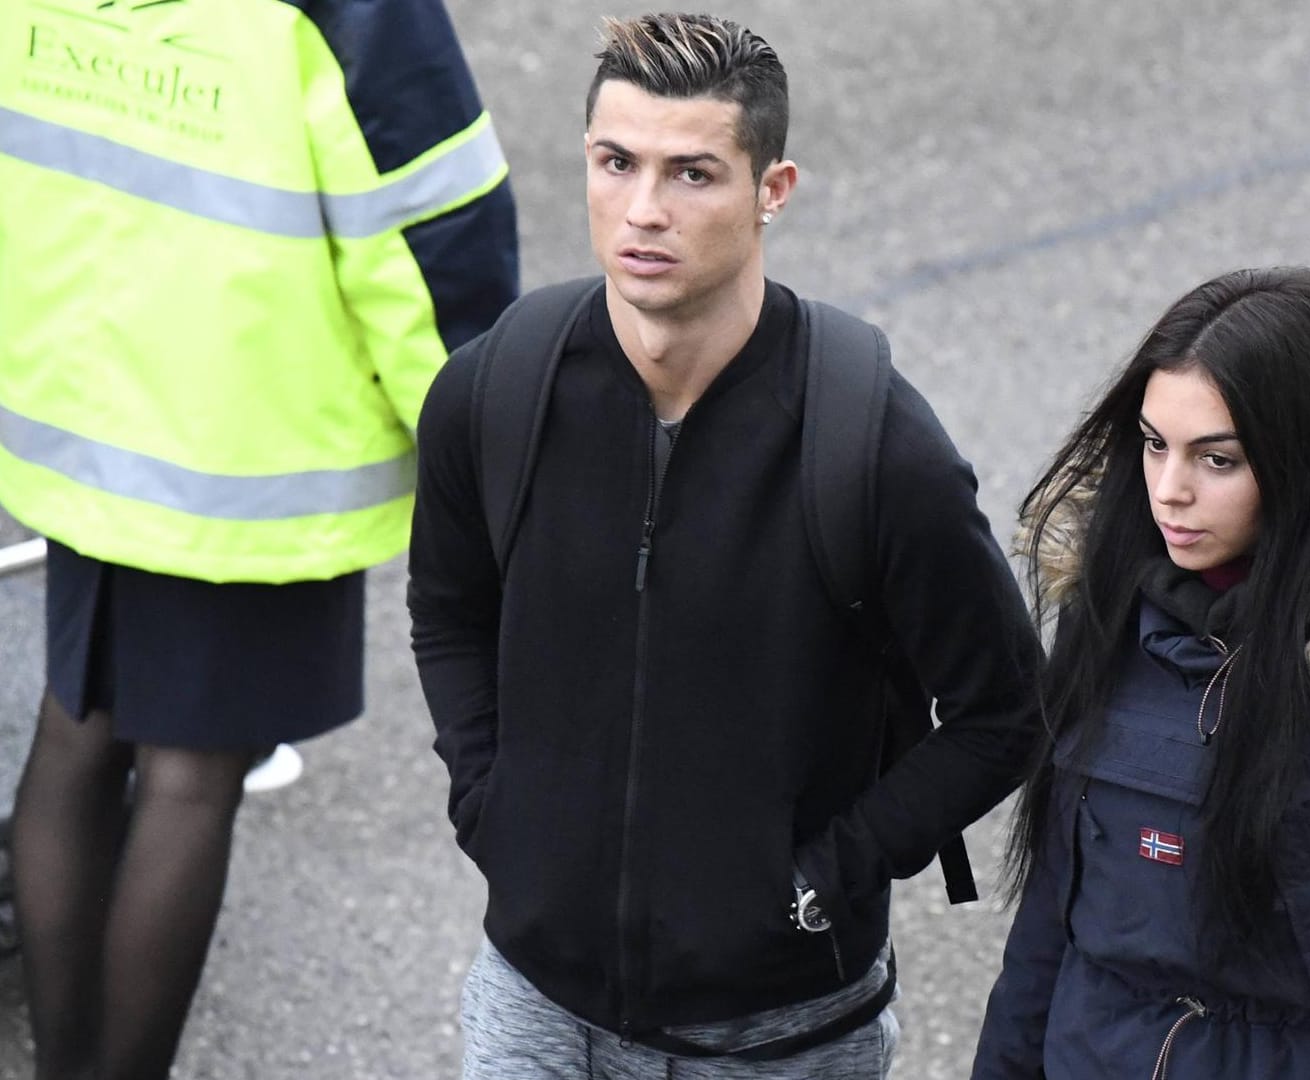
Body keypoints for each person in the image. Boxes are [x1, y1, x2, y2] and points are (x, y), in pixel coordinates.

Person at [407, 12, 1041, 1078]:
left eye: (693, 173)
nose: (643, 211)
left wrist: (819, 878)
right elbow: (449, 615)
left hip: (782, 1036)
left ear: (772, 191)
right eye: (617, 163)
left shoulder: (873, 444)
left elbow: (1003, 712)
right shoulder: (496, 388)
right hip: (533, 1004)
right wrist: (491, 805)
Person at [0, 0, 519, 1074]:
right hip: (240, 429)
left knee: (79, 724)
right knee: (193, 774)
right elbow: (430, 231)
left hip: (74, 396)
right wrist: (484, 458)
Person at [969, 267, 1310, 1078]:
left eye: (1218, 460)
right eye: (1155, 444)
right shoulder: (1105, 618)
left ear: (1300, 460)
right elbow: (1047, 932)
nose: (1171, 492)